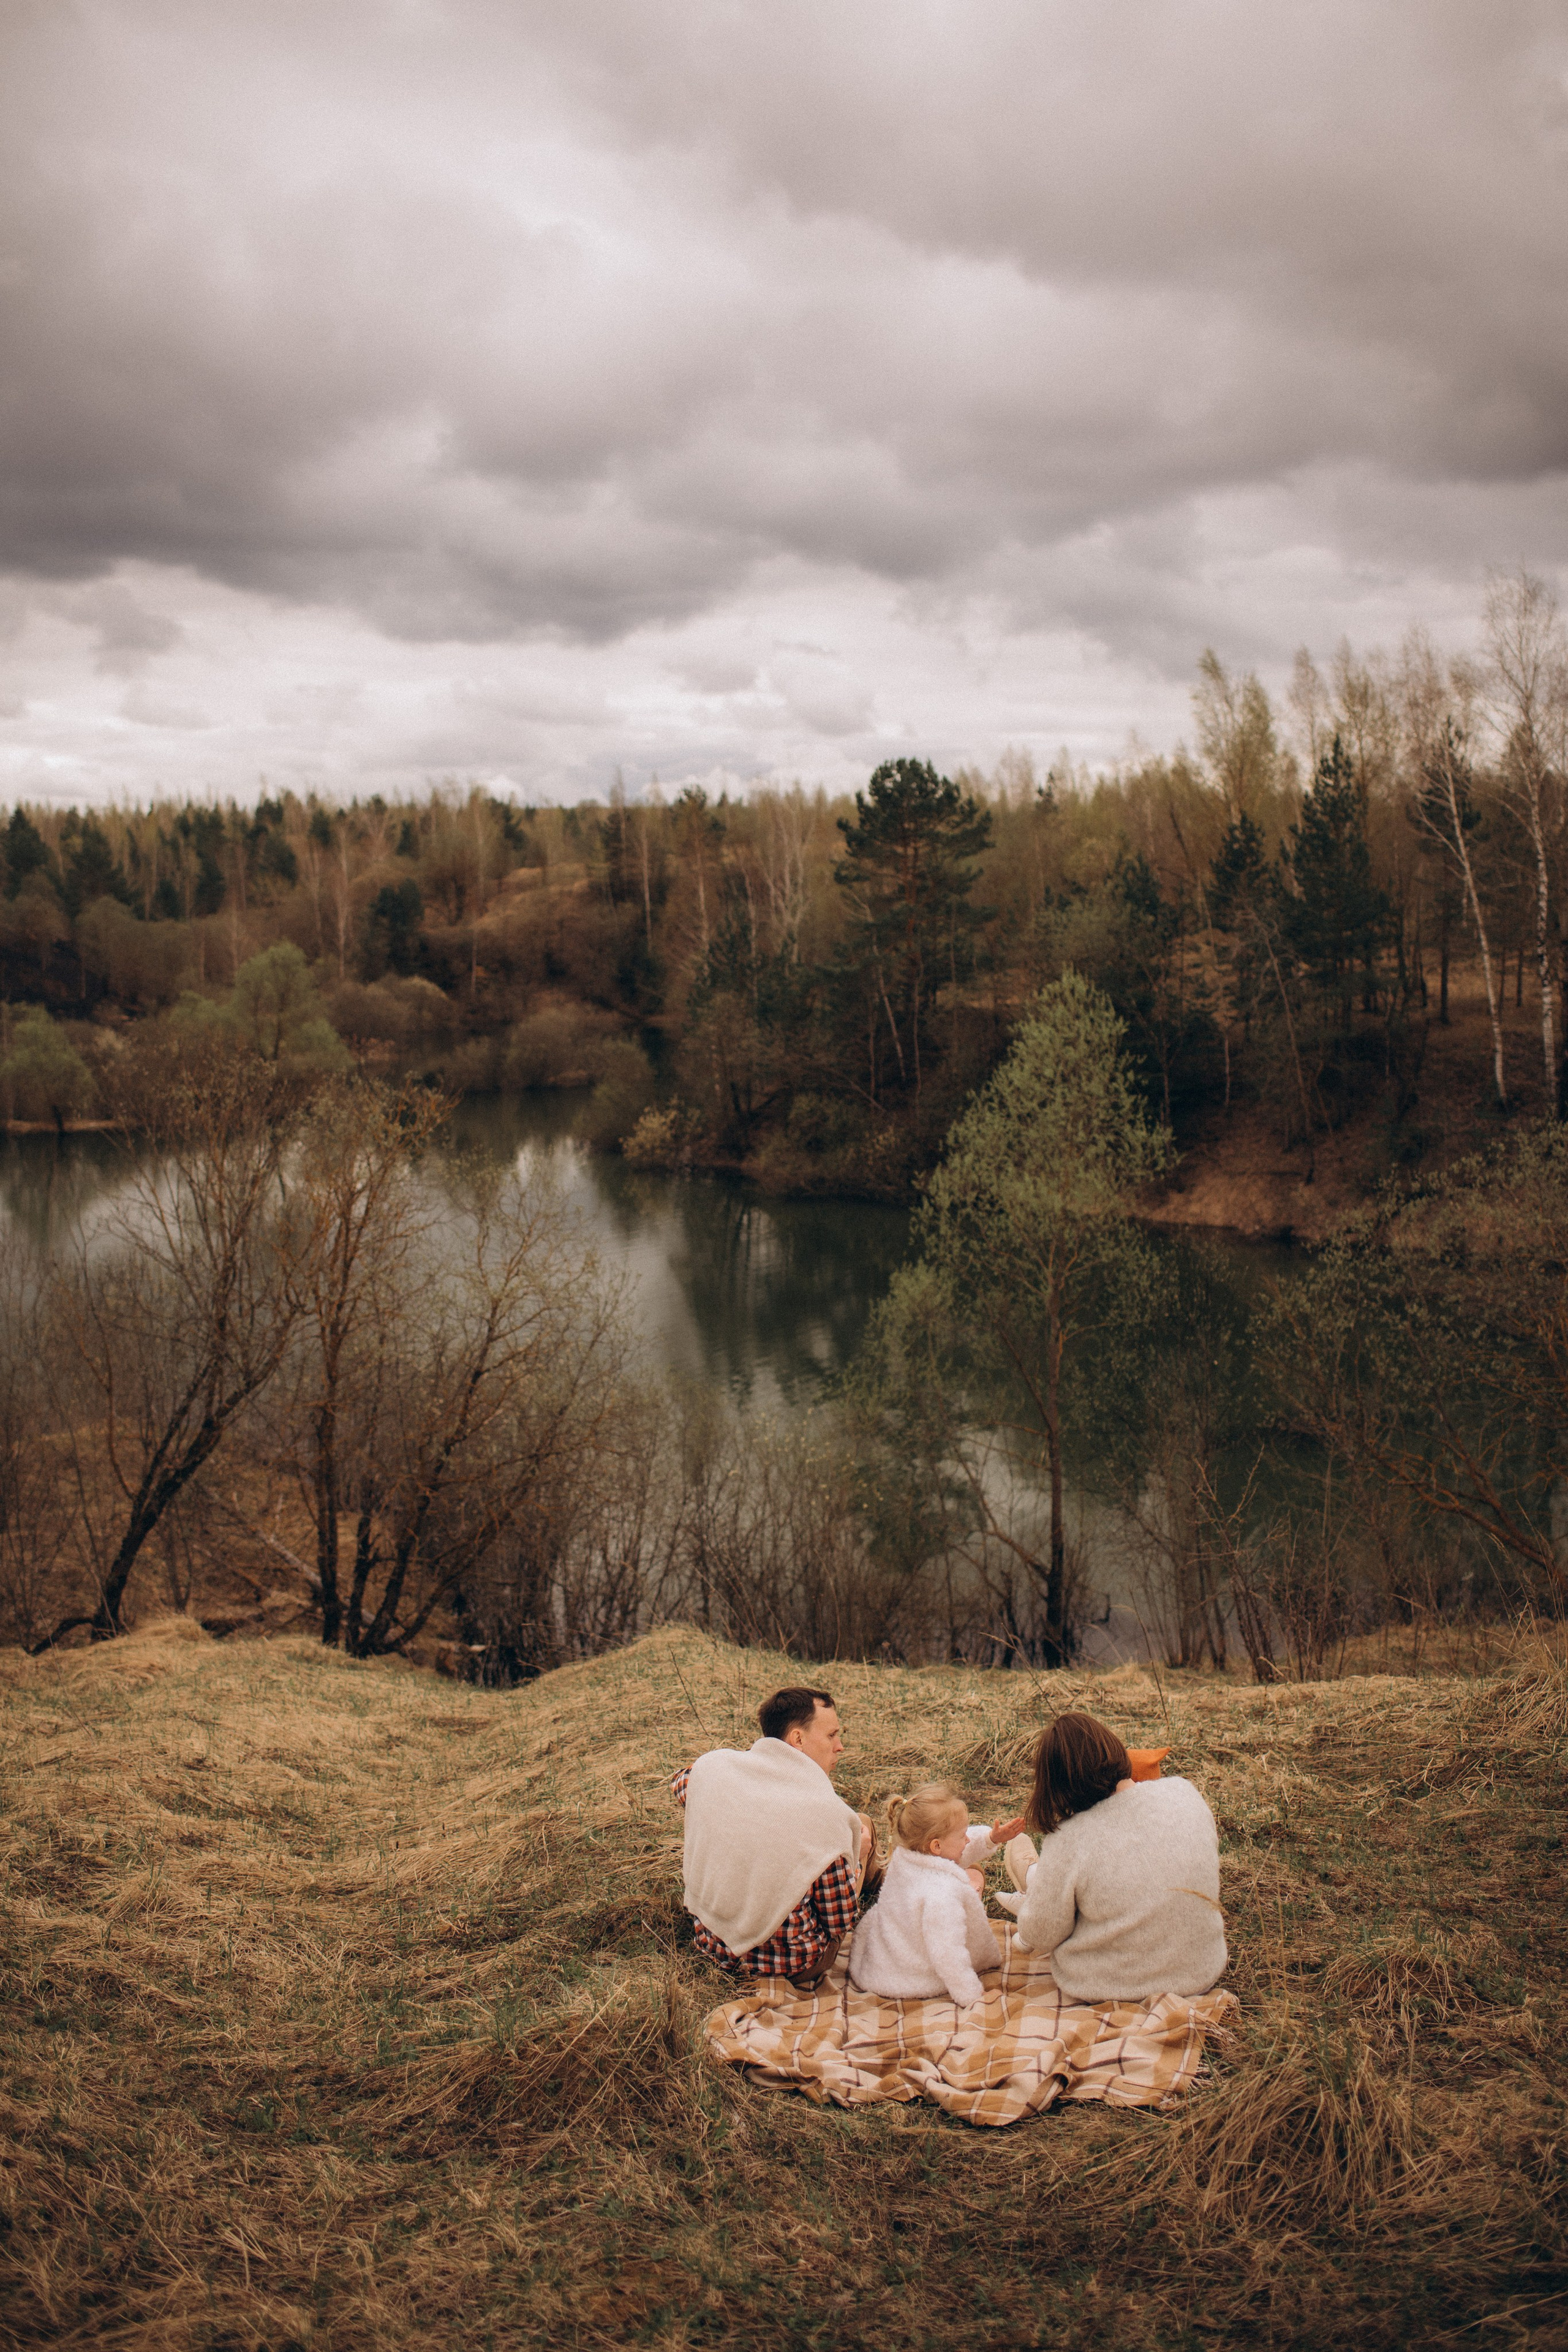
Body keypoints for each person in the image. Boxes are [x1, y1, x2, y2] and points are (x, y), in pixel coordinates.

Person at [1000, 1712, 1226, 2001]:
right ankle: (1037, 1880)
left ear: (1056, 1783)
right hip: (1200, 1972)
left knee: (1064, 1902)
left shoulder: (1068, 1839)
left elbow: (1042, 1935)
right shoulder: (1184, 1792)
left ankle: (1034, 1881)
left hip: (1111, 1985)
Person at [672, 1686, 877, 1990]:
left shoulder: (714, 1770)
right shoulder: (829, 1820)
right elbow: (840, 1922)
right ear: (798, 1739)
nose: (840, 1747)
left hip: (714, 1948)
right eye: (832, 1735)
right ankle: (879, 1877)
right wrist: (858, 1859)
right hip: (790, 1965)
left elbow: (681, 1782)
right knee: (862, 1826)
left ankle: (880, 1876)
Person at [846, 1781, 1004, 2007]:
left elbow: (956, 1850)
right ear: (936, 1846)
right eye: (963, 1835)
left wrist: (990, 1839)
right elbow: (948, 1952)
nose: (968, 1840)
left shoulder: (906, 1858)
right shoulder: (942, 1893)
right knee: (972, 1874)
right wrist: (972, 1996)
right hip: (917, 1976)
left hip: (887, 1960)